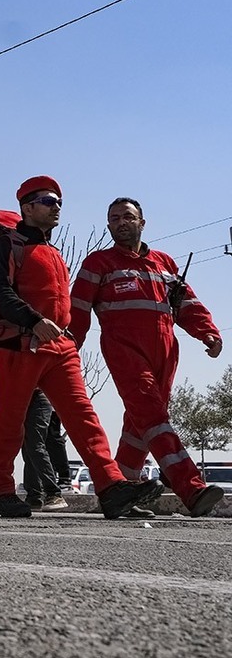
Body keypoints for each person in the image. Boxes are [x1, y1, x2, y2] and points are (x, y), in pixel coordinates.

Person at [0, 176, 162, 518]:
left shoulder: (52, 251)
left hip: (59, 347)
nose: (57, 207)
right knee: (10, 420)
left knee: (84, 417)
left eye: (59, 202)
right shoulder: (7, 244)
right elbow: (0, 292)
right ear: (27, 207)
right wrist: (34, 320)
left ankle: (111, 489)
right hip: (19, 344)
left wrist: (65, 335)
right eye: (49, 202)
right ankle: (0, 492)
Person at [71, 196, 224, 517]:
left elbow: (186, 303)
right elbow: (77, 314)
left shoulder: (165, 263)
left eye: (127, 217)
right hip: (125, 352)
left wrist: (207, 332)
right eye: (113, 218)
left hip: (167, 352)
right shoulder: (97, 264)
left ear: (142, 222)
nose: (120, 223)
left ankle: (124, 492)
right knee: (154, 417)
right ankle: (191, 488)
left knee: (141, 426)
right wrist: (67, 355)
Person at [21, 391, 68, 510]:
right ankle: (34, 497)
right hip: (24, 398)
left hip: (37, 398)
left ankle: (53, 493)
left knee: (35, 446)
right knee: (28, 448)